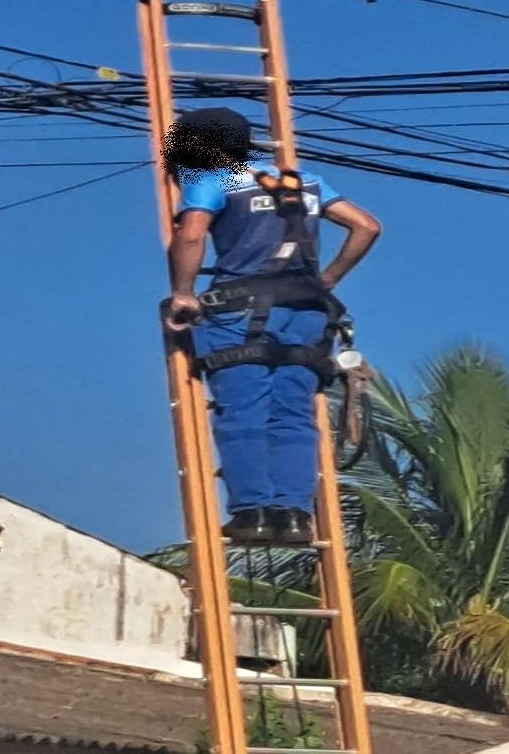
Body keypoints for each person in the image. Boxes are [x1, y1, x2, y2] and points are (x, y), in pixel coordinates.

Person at [162, 107, 381, 545]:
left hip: (240, 310)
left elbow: (190, 236)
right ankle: (295, 515)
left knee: (245, 411)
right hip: (307, 314)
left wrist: (184, 291)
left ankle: (252, 513)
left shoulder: (212, 178)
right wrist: (330, 279)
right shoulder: (304, 181)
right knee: (294, 415)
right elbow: (366, 226)